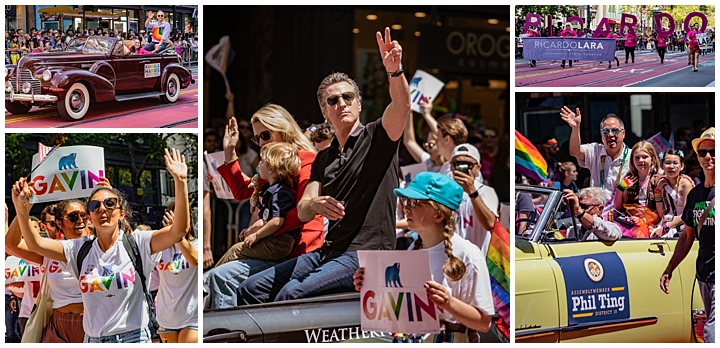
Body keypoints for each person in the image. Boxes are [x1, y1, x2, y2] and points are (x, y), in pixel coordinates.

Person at [237, 27, 410, 305]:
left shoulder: (378, 137)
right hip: (329, 252)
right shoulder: (323, 158)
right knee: (250, 288)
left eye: (347, 97)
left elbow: (401, 105)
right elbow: (304, 209)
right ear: (324, 111)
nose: (341, 103)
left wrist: (394, 71)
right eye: (333, 100)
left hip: (367, 254)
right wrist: (316, 205)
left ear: (358, 104)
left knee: (289, 296)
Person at [12, 148, 190, 343]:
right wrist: (22, 209)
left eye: (110, 203)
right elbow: (35, 244)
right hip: (92, 339)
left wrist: (180, 181)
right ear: (89, 217)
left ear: (121, 213)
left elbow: (179, 229)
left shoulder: (138, 242)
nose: (102, 209)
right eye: (94, 206)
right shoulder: (79, 249)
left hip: (133, 339)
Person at [205, 104, 324, 309]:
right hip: (274, 244)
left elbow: (305, 210)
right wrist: (229, 151)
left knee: (219, 277)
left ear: (283, 130)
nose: (260, 143)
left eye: (265, 135)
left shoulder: (306, 160)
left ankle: (225, 334)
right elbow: (244, 190)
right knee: (217, 275)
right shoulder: (274, 161)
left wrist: (262, 228)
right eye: (257, 138)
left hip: (298, 250)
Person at [352, 172, 494, 342]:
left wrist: (449, 303)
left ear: (438, 215)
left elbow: (484, 323)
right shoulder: (414, 249)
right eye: (406, 201)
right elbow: (402, 308)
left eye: (414, 202)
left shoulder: (468, 255)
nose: (406, 208)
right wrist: (371, 284)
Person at [6, 199, 90, 343]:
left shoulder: (98, 247)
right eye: (73, 217)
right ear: (59, 223)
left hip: (91, 323)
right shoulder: (50, 250)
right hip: (57, 326)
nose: (80, 221)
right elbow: (11, 244)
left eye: (84, 215)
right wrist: (23, 209)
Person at [660, 127, 714, 343]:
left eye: (713, 151)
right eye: (703, 153)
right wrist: (669, 268)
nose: (708, 157)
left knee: (712, 330)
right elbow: (686, 236)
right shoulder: (696, 194)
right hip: (704, 273)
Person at [220, 142, 302, 262]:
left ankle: (206, 281)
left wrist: (256, 235)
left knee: (236, 251)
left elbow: (276, 221)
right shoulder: (270, 189)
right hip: (272, 240)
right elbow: (265, 220)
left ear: (272, 169)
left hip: (277, 244)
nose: (259, 164)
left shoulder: (281, 193)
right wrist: (250, 230)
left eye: (262, 161)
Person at [560, 106, 630, 212]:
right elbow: (575, 151)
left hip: (622, 215)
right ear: (601, 135)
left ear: (623, 134)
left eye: (615, 131)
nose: (610, 135)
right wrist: (575, 128)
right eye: (606, 131)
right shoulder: (595, 150)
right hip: (597, 214)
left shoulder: (633, 156)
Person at [155, 206, 198, 343]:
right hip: (166, 318)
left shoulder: (196, 244)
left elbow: (195, 260)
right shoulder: (159, 247)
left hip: (191, 316)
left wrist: (178, 234)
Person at [449, 144, 499, 255]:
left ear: (478, 168)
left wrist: (472, 191)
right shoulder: (443, 192)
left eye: (468, 165)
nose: (462, 168)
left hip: (476, 260)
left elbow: (490, 224)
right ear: (451, 165)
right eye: (458, 164)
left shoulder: (485, 191)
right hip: (451, 260)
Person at [652, 149, 695, 238]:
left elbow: (686, 214)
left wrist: (665, 228)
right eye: (667, 163)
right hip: (664, 223)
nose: (671, 166)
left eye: (675, 163)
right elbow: (661, 214)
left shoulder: (685, 184)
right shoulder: (662, 183)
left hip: (680, 226)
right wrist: (658, 191)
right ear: (661, 166)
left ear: (682, 166)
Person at [402, 101, 444, 173]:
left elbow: (443, 135)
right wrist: (409, 111)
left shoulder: (450, 163)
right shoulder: (428, 161)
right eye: (426, 145)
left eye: (431, 145)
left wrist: (427, 115)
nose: (427, 148)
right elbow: (409, 141)